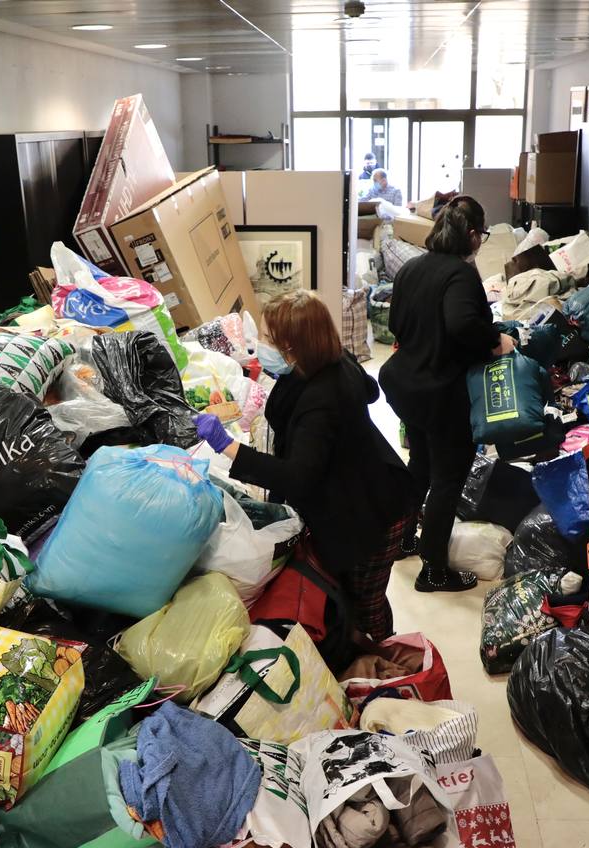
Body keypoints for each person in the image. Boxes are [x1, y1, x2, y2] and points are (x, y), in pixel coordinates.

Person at [194, 290, 416, 641]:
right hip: (358, 489)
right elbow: (367, 391)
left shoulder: (322, 399)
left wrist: (229, 446)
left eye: (268, 339)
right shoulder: (330, 360)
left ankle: (386, 664)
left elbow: (298, 476)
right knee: (349, 594)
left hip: (372, 512)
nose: (261, 344)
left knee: (366, 605)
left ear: (293, 347)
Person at [379, 196, 516, 592]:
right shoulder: (460, 274)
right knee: (446, 479)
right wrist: (495, 341)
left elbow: (396, 323)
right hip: (440, 392)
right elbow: (460, 324)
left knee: (420, 464)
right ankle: (434, 569)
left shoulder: (412, 268)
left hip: (406, 384)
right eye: (483, 236)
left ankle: (402, 539)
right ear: (472, 235)